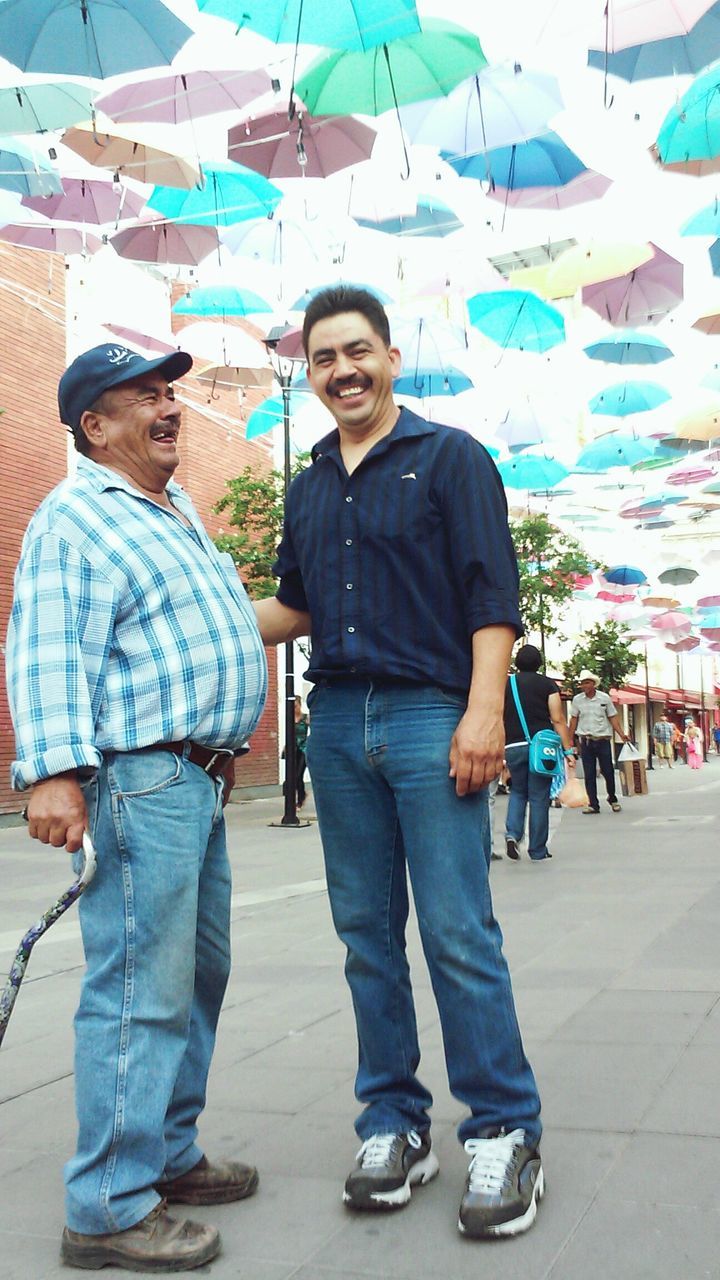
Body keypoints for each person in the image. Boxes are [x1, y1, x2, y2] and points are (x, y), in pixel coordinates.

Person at [254, 286, 543, 1241]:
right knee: (366, 937)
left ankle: (503, 1129)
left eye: (358, 351)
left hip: (429, 716)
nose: (342, 370)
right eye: (324, 358)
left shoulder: (451, 458)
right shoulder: (306, 484)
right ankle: (394, 1122)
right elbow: (295, 608)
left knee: (459, 932)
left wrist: (480, 717)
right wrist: (200, 610)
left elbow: (490, 597)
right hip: (336, 725)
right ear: (310, 371)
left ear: (390, 358)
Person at [5, 343, 269, 1273]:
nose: (168, 408)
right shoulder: (75, 514)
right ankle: (108, 1205)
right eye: (142, 398)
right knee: (137, 991)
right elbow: (44, 645)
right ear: (95, 427)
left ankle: (164, 1153)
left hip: (196, 778)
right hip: (140, 781)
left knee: (198, 977)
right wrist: (51, 774)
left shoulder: (174, 506)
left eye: (169, 393)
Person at [503, 645, 576, 861]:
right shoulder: (547, 684)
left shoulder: (507, 684)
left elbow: (498, 715)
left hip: (513, 746)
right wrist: (568, 749)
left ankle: (512, 834)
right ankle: (537, 850)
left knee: (517, 791)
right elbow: (557, 718)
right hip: (540, 747)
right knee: (538, 797)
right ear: (539, 663)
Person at [568, 670, 631, 814]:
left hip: (603, 740)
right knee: (589, 774)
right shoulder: (577, 700)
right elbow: (573, 720)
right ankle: (593, 803)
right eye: (583, 683)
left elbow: (612, 717)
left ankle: (612, 798)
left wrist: (621, 734)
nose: (584, 685)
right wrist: (569, 739)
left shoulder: (604, 698)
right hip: (586, 741)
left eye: (587, 682)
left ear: (593, 684)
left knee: (608, 771)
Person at [294, 695, 309, 807]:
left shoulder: (305, 718)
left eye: (295, 706)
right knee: (294, 776)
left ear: (299, 705)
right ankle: (302, 795)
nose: (294, 709)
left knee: (299, 775)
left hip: (304, 748)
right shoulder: (290, 718)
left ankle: (300, 801)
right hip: (293, 749)